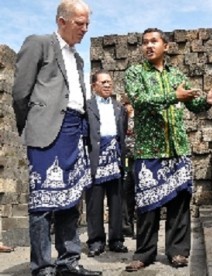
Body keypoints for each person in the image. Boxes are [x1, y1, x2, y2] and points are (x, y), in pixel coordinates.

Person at [123, 27, 212, 272]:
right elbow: (141, 100)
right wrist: (175, 96)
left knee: (179, 203)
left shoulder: (177, 75)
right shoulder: (134, 73)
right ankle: (144, 253)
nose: (148, 46)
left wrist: (206, 100)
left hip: (177, 148)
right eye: (145, 42)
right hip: (150, 151)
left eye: (154, 41)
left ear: (166, 46)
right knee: (147, 205)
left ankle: (178, 252)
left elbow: (192, 104)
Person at [12, 0, 101, 275]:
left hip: (75, 130)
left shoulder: (78, 58)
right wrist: (33, 126)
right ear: (62, 21)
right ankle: (42, 266)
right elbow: (20, 93)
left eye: (87, 23)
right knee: (42, 201)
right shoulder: (38, 43)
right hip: (47, 129)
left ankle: (68, 261)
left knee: (71, 199)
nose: (85, 29)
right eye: (79, 23)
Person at [85, 70, 128, 257]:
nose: (107, 85)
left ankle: (116, 239)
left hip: (115, 158)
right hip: (95, 158)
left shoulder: (119, 108)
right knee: (94, 203)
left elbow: (122, 132)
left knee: (117, 201)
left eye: (109, 82)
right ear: (94, 86)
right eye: (103, 82)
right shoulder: (87, 107)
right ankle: (96, 241)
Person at [121, 96, 136, 239]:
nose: (126, 107)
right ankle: (127, 226)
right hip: (126, 159)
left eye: (127, 104)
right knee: (126, 194)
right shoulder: (122, 119)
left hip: (137, 158)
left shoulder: (138, 119)